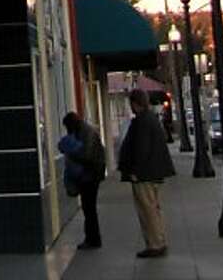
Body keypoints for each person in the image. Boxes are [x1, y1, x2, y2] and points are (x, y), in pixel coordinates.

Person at [117, 87, 175, 259]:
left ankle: (154, 244)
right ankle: (159, 241)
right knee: (154, 208)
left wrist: (135, 170)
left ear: (135, 104)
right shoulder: (151, 119)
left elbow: (141, 149)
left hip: (144, 174)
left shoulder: (141, 122)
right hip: (154, 171)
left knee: (147, 210)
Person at [59, 110, 106, 250]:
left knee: (89, 208)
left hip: (90, 175)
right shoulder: (85, 131)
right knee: (89, 208)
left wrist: (72, 155)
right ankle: (92, 238)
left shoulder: (86, 133)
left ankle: (92, 239)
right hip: (92, 174)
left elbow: (87, 155)